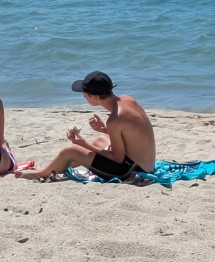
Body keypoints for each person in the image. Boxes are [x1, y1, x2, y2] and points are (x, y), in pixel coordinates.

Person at [15, 71, 155, 181]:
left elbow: (117, 158)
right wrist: (104, 130)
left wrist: (85, 144)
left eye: (85, 94)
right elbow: (132, 134)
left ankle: (42, 173)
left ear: (94, 97)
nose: (83, 96)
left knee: (70, 150)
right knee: (101, 139)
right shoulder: (128, 100)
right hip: (146, 164)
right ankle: (54, 167)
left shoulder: (114, 119)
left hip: (131, 170)